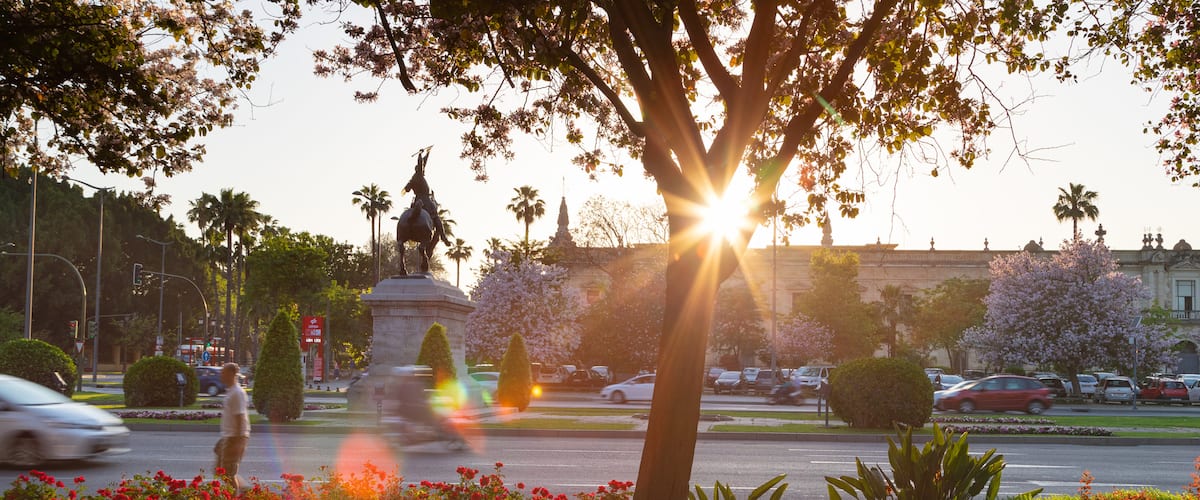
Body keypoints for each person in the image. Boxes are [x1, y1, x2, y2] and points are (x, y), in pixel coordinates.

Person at [214, 362, 249, 491]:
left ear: (231, 374)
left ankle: (238, 493)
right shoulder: (231, 391)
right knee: (220, 470)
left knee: (228, 474)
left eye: (223, 373)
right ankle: (244, 490)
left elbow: (240, 417)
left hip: (234, 437)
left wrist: (238, 442)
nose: (220, 375)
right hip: (228, 436)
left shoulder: (237, 393)